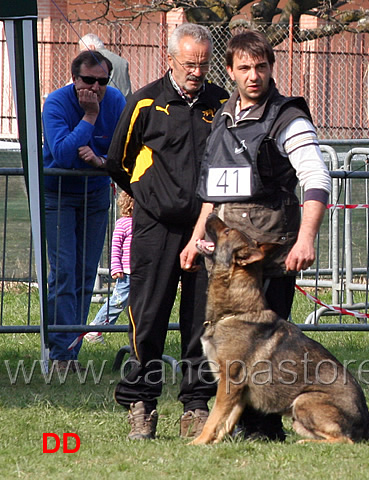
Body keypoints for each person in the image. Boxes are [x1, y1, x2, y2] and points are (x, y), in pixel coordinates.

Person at [180, 29, 331, 441]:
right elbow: (213, 191)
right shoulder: (224, 116)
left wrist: (306, 239)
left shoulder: (288, 118)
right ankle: (220, 420)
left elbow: (317, 177)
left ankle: (264, 429)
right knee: (216, 344)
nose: (253, 75)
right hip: (222, 257)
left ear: (271, 68)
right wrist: (196, 238)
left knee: (266, 353)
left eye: (261, 66)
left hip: (267, 255)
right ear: (228, 70)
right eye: (244, 67)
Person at [106, 23, 229, 441]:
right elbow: (118, 161)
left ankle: (196, 405)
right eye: (189, 63)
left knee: (201, 321)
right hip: (155, 230)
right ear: (170, 59)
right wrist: (150, 196)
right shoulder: (144, 101)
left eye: (203, 64)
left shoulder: (221, 104)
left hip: (206, 230)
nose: (196, 71)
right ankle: (141, 402)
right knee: (149, 315)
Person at [42, 51, 126, 373]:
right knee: (63, 272)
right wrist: (90, 117)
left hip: (95, 196)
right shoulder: (57, 103)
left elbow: (121, 151)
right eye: (88, 80)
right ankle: (60, 353)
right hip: (59, 194)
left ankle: (70, 351)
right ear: (74, 79)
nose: (96, 87)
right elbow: (62, 154)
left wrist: (102, 162)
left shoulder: (116, 100)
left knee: (85, 274)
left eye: (103, 81)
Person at [84, 191, 134, 344]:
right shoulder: (123, 224)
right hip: (127, 272)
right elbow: (116, 248)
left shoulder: (146, 224)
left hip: (142, 271)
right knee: (118, 301)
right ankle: (96, 328)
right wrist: (116, 267)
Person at [80, 33, 132, 98]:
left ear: (91, 47)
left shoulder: (93, 61)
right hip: (124, 102)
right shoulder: (122, 61)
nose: (81, 54)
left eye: (82, 51)